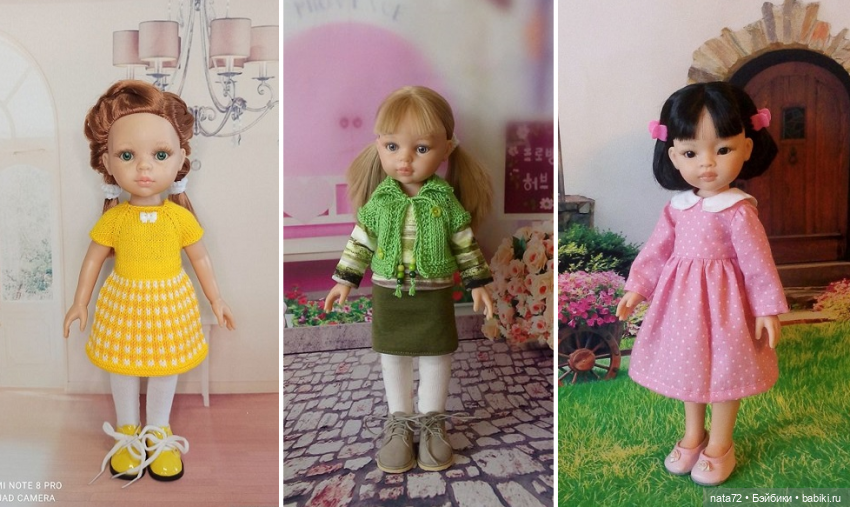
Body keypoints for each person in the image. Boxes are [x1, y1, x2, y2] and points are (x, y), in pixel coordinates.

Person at [63, 80, 236, 486]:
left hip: (170, 305)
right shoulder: (114, 219)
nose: (144, 168)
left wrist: (217, 298)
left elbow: (200, 259)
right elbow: (93, 260)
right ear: (107, 161)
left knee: (165, 368)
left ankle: (157, 429)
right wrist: (79, 302)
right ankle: (127, 430)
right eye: (128, 155)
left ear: (181, 159)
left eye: (160, 155)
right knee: (122, 368)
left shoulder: (179, 219)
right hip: (123, 304)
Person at [616, 81, 788, 486]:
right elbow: (656, 251)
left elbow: (758, 264)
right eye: (691, 153)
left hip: (727, 308)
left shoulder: (738, 211)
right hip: (682, 308)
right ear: (674, 155)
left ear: (747, 148)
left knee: (727, 374)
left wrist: (766, 308)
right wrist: (637, 288)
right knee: (687, 370)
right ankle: (694, 435)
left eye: (723, 149)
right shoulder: (677, 208)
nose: (707, 164)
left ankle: (720, 444)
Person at [324, 86, 495, 473]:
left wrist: (478, 282)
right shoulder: (380, 202)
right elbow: (360, 242)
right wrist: (345, 280)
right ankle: (399, 421)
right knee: (393, 356)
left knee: (437, 354)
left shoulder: (445, 200)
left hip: (434, 294)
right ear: (379, 146)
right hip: (389, 294)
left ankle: (433, 421)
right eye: (392, 146)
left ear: (446, 149)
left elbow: (464, 243)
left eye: (420, 149)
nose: (404, 159)